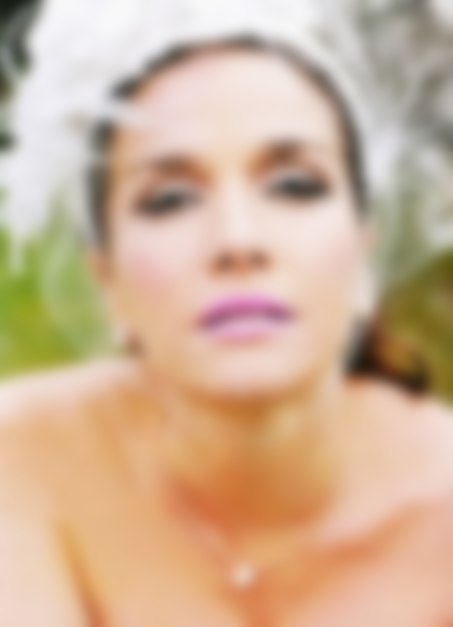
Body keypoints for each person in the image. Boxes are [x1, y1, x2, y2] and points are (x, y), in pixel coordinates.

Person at [1, 1, 453, 625]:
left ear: (364, 254)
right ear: (106, 278)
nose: (237, 240)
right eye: (170, 199)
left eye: (295, 186)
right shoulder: (22, 461)